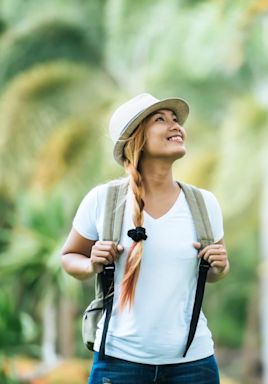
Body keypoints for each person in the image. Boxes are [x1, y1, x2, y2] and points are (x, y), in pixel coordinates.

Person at [61, 93, 229, 384]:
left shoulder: (205, 204)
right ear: (137, 138)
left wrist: (219, 266)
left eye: (176, 119)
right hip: (118, 363)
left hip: (193, 365)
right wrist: (91, 264)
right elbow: (69, 257)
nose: (175, 125)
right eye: (161, 119)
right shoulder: (103, 200)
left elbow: (214, 273)